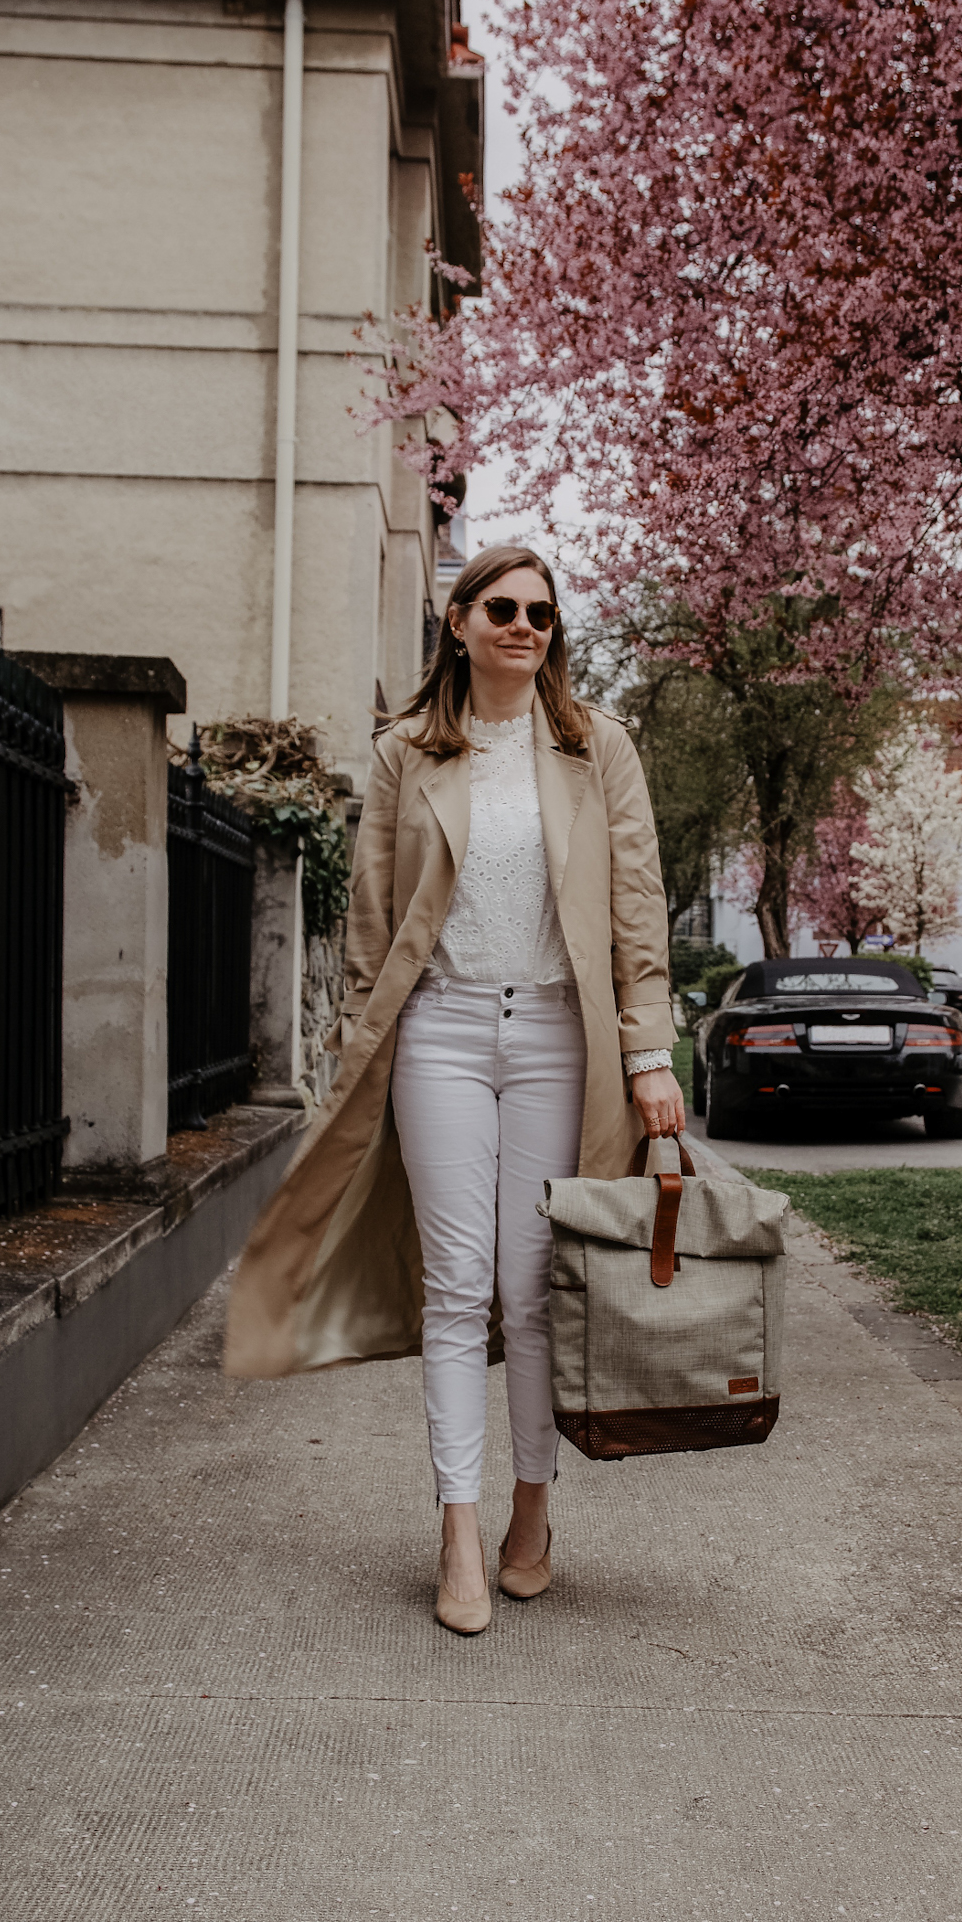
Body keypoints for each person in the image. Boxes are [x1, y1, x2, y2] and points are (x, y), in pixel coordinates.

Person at [224, 543, 685, 1635]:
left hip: (557, 1039)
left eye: (541, 611)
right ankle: (459, 1527)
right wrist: (359, 1046)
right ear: (460, 621)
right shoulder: (407, 755)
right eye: (503, 608)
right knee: (456, 1284)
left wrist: (650, 1051)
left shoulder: (595, 747)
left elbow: (636, 908)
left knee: (531, 1290)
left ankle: (533, 1510)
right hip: (438, 1030)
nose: (525, 625)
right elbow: (374, 917)